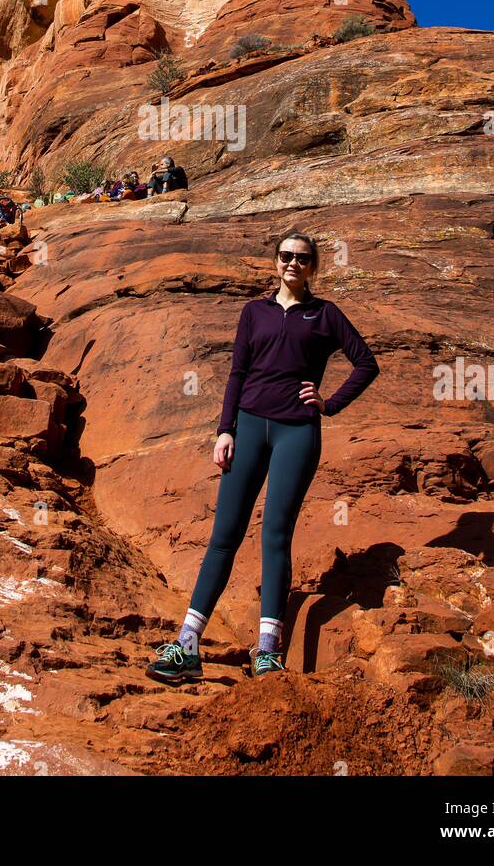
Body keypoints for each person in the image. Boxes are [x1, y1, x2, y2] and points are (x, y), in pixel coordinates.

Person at [145, 230, 379, 684]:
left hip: (297, 432)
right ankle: (187, 645)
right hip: (249, 426)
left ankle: (268, 651)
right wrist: (224, 430)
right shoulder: (255, 312)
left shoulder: (325, 314)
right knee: (223, 536)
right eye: (286, 256)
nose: (293, 263)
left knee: (275, 536)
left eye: (302, 258)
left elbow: (365, 363)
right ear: (275, 262)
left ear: (313, 267)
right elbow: (237, 373)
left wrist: (329, 403)